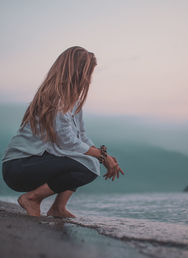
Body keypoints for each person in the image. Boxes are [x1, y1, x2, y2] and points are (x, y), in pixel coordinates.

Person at [1, 46, 124, 218]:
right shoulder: (55, 98)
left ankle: (58, 208)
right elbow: (67, 142)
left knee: (89, 160)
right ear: (78, 72)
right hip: (19, 167)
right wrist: (102, 157)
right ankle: (32, 198)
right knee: (87, 164)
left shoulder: (72, 102)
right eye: (88, 73)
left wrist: (104, 155)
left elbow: (81, 136)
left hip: (33, 163)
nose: (89, 80)